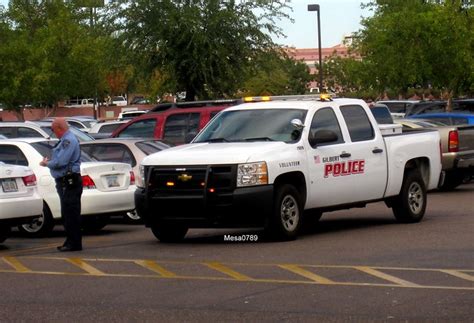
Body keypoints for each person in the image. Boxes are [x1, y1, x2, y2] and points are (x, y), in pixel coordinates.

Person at [40, 118, 83, 252]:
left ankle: (74, 243)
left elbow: (61, 161)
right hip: (65, 181)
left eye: (53, 130)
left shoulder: (68, 141)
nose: (53, 133)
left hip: (68, 181)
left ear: (59, 128)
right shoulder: (66, 139)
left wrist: (47, 164)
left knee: (71, 213)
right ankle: (70, 241)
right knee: (67, 213)